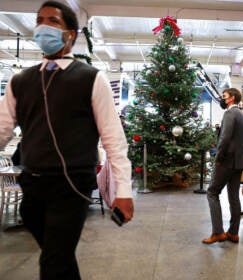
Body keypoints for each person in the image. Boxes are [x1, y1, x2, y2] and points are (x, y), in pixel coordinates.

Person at [0, 1, 134, 279]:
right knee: (59, 259)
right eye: (40, 20)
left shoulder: (91, 79)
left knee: (52, 263)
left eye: (53, 21)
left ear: (70, 34)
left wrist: (124, 191)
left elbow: (114, 140)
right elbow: (2, 131)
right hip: (32, 187)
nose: (43, 26)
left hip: (72, 186)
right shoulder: (20, 80)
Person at [202, 88, 243, 244]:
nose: (222, 99)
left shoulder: (229, 114)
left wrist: (218, 157)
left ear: (232, 98)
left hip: (226, 161)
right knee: (233, 196)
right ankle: (233, 233)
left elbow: (224, 138)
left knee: (212, 192)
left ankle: (218, 232)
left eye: (224, 97)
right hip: (239, 162)